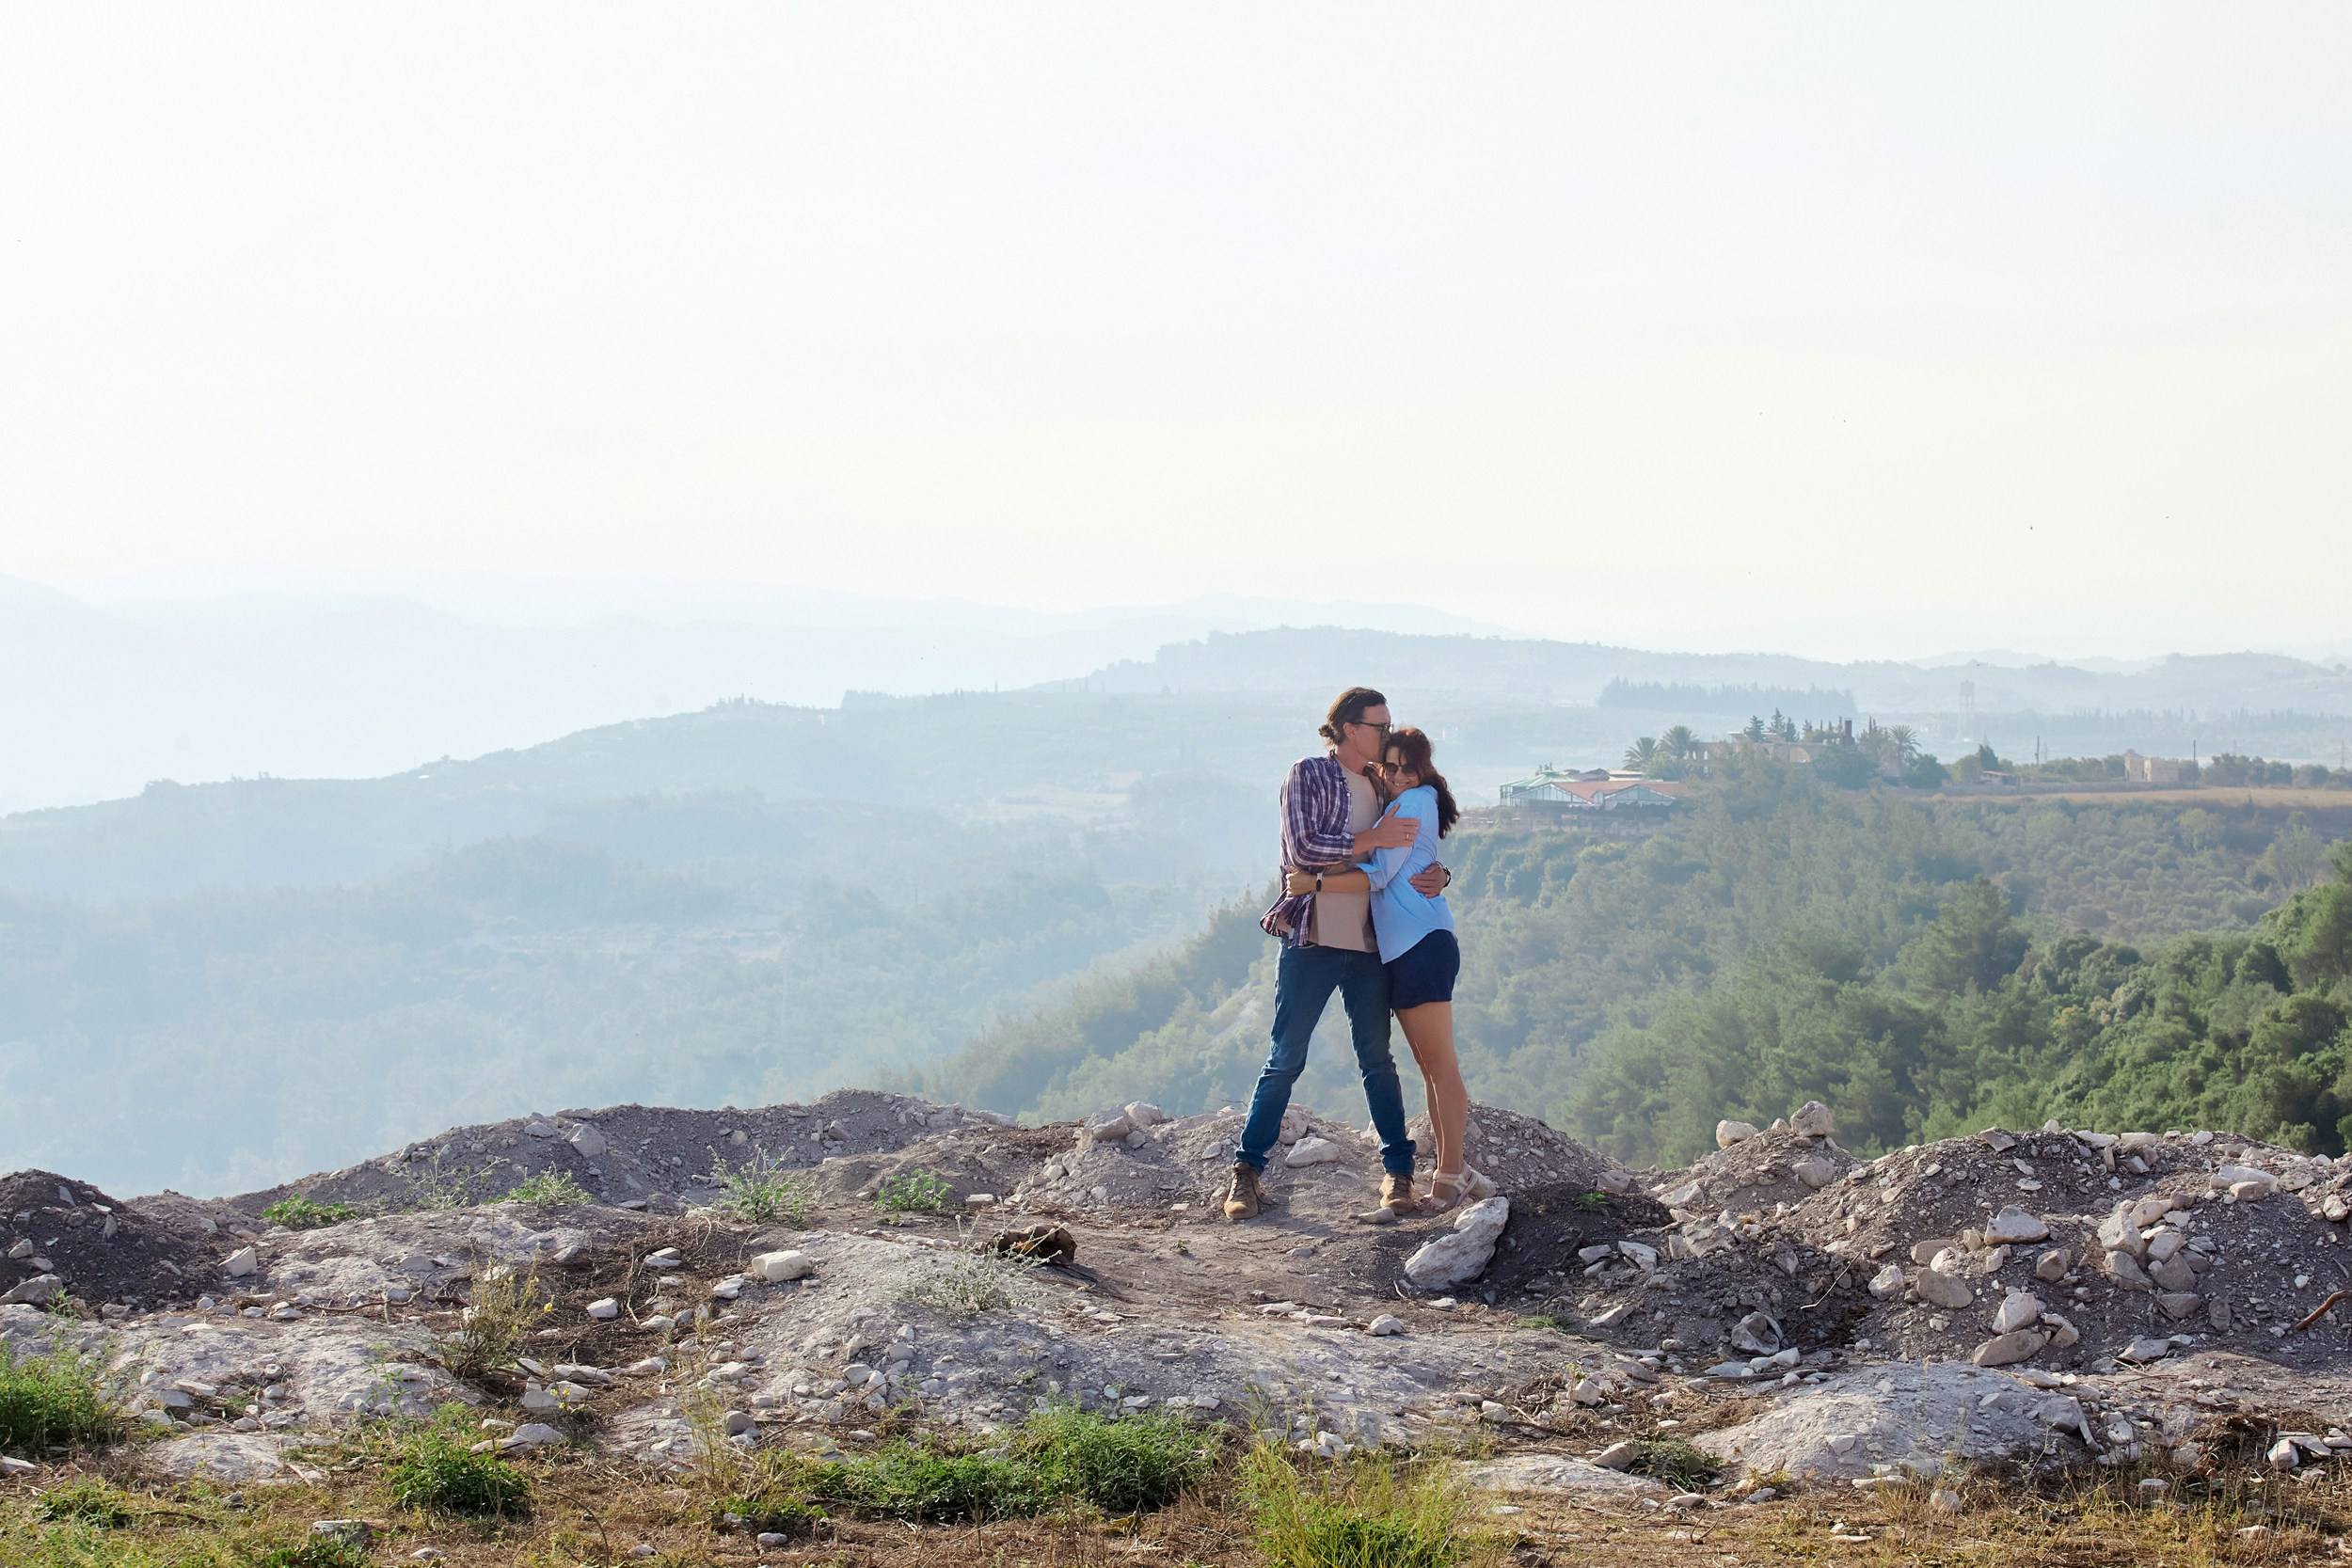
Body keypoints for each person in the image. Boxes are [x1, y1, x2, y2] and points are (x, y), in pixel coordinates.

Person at [1226, 687, 1452, 1223]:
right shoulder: (1309, 773)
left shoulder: (1386, 781)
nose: (1387, 735)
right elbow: (1302, 850)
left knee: (1377, 1060)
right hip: (1314, 940)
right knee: (1286, 1058)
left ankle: (1398, 1175)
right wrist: (1371, 838)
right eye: (1380, 726)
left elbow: (1411, 851)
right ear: (1351, 728)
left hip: (1373, 944)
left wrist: (1440, 875)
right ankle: (1246, 1173)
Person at [1282, 726, 1489, 1209]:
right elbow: (1414, 862)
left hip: (1421, 942)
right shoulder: (1392, 798)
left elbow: (1382, 874)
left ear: (1422, 773)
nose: (1396, 775)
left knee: (1441, 1065)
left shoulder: (1413, 801)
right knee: (1429, 1067)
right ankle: (1449, 1170)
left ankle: (1450, 1174)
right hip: (1402, 948)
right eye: (1389, 765)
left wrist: (1314, 886)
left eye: (1407, 768)